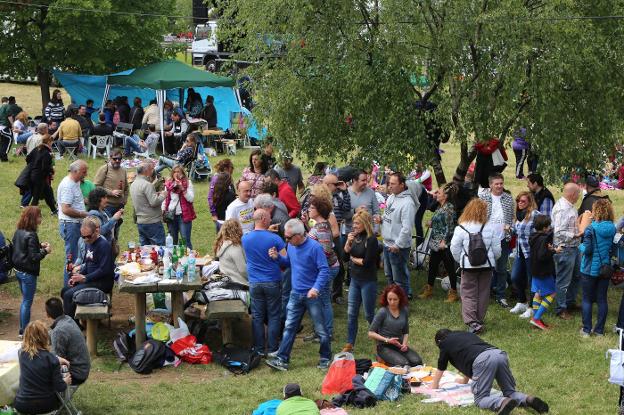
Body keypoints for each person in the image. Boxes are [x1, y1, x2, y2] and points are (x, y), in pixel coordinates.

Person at [432, 329, 549, 415]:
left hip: (483, 360)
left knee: (480, 399)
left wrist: (433, 386)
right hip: (498, 353)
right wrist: (463, 381)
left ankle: (502, 402)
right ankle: (528, 399)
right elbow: (466, 361)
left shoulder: (444, 344)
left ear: (439, 341)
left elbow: (441, 368)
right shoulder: (464, 334)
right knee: (510, 391)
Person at [266, 219, 331, 371]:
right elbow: (289, 262)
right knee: (289, 327)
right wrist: (277, 258)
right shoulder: (291, 245)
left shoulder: (315, 247)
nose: (286, 240)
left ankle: (325, 358)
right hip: (296, 294)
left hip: (313, 296)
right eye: (285, 237)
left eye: (288, 237)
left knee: (321, 329)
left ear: (299, 235)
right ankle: (282, 359)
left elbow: (324, 270)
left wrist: (316, 288)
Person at [450, 198, 501, 333]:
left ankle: (472, 322)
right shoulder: (490, 227)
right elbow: (497, 250)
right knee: (483, 292)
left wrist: (461, 260)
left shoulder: (461, 227)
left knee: (468, 293)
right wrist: (491, 259)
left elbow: (454, 248)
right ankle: (479, 319)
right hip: (486, 265)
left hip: (468, 266)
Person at [243, 210, 286, 355]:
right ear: (263, 218)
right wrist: (277, 258)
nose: (271, 220)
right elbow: (286, 261)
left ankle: (259, 349)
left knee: (257, 316)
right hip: (272, 281)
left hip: (254, 282)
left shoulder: (245, 238)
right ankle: (273, 348)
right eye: (268, 218)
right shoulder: (275, 240)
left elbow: (256, 234)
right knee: (274, 315)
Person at [61, 217, 115, 318]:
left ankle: (72, 326)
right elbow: (88, 264)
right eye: (83, 236)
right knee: (64, 291)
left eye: (88, 236)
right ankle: (77, 322)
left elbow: (104, 270)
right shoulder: (89, 243)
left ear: (97, 231)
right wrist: (78, 277)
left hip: (102, 283)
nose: (85, 240)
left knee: (69, 295)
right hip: (91, 280)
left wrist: (85, 278)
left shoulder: (103, 246)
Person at [13, 320, 70, 415]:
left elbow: (37, 359)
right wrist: (65, 381)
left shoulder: (21, 354)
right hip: (45, 405)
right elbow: (60, 387)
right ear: (45, 337)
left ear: (26, 336)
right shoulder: (51, 360)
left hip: (22, 404)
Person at [12, 207, 51, 337]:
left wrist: (39, 245)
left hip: (18, 270)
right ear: (33, 219)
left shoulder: (19, 231)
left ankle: (22, 329)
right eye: (39, 216)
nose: (41, 218)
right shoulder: (32, 234)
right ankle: (24, 332)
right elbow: (34, 257)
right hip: (28, 273)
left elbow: (23, 247)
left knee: (25, 301)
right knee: (27, 302)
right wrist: (45, 251)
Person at [579, 199, 616, 337]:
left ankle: (587, 329)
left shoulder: (591, 228)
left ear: (597, 212)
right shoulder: (612, 228)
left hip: (589, 269)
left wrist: (579, 245)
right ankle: (599, 330)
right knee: (602, 299)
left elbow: (587, 250)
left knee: (587, 299)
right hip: (604, 268)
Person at [342, 210, 378, 353]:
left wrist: (354, 259)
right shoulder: (354, 237)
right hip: (355, 280)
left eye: (357, 223)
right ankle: (350, 343)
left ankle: (379, 342)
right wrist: (347, 244)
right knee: (351, 313)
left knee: (369, 314)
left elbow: (368, 262)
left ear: (365, 223)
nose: (354, 226)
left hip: (368, 281)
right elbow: (344, 258)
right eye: (353, 223)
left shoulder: (371, 239)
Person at [307, 196, 341, 340]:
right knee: (320, 301)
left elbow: (326, 251)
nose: (309, 209)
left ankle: (327, 332)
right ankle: (320, 331)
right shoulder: (319, 225)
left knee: (324, 301)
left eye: (312, 207)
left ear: (319, 211)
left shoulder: (322, 228)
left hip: (326, 268)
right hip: (324, 268)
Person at [479, 173, 514, 308]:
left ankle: (501, 296)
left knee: (502, 268)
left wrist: (509, 228)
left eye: (501, 183)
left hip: (502, 239)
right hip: (485, 238)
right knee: (485, 267)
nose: (499, 186)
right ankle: (485, 294)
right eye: (496, 184)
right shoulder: (483, 197)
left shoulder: (508, 198)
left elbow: (511, 217)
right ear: (490, 185)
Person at [419, 183, 459, 302]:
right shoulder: (440, 206)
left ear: (445, 196)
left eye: (439, 193)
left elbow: (450, 227)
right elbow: (439, 219)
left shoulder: (449, 208)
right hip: (436, 242)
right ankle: (429, 289)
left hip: (444, 244)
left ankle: (453, 293)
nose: (436, 194)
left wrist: (444, 242)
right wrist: (432, 222)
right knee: (432, 266)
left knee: (450, 267)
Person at [368, 285, 422, 367]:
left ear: (400, 299)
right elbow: (370, 333)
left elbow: (406, 331)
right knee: (404, 364)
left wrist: (404, 344)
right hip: (384, 346)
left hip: (399, 345)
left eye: (395, 299)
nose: (392, 302)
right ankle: (381, 358)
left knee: (417, 362)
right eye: (389, 299)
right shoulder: (382, 312)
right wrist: (387, 340)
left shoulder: (404, 310)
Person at [381, 173, 416, 297]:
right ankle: (392, 299)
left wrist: (398, 245)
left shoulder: (407, 203)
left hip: (398, 247)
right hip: (387, 243)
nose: (390, 186)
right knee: (389, 275)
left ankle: (403, 303)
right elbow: (389, 215)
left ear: (402, 185)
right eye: (389, 183)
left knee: (399, 278)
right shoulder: (391, 198)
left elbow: (407, 228)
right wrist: (381, 219)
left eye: (393, 184)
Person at [551, 182, 582, 320]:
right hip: (565, 249)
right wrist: (574, 235)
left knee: (576, 277)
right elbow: (558, 232)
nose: (578, 197)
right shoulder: (563, 209)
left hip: (574, 248)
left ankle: (570, 302)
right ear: (572, 194)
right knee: (563, 280)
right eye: (578, 194)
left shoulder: (570, 207)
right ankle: (561, 309)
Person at [509, 192, 540, 318]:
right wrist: (509, 229)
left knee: (532, 280)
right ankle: (522, 301)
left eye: (523, 201)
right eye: (518, 201)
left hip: (531, 252)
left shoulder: (535, 215)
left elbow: (548, 227)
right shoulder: (518, 215)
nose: (520, 203)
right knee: (515, 277)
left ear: (529, 202)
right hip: (520, 251)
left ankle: (532, 307)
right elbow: (517, 230)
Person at [57, 160, 88, 286]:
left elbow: (76, 201)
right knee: (72, 258)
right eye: (83, 172)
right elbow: (65, 209)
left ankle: (74, 285)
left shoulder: (75, 182)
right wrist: (83, 214)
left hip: (75, 224)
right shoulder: (67, 186)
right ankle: (68, 289)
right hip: (70, 225)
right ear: (75, 171)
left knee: (77, 255)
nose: (85, 174)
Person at [45, 297, 90, 385]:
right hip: (83, 369)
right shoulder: (67, 319)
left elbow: (56, 361)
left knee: (37, 373)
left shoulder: (58, 331)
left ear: (47, 314)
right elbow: (51, 334)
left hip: (76, 374)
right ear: (62, 309)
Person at [528, 215, 561, 330]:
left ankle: (537, 321)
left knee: (538, 293)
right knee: (552, 293)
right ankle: (536, 318)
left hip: (534, 269)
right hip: (543, 271)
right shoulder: (544, 238)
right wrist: (554, 251)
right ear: (545, 227)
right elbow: (542, 256)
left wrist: (550, 249)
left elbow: (538, 252)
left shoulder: (533, 236)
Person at [130, 161, 167, 246]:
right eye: (151, 169)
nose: (152, 171)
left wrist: (155, 194)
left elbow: (143, 198)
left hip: (140, 222)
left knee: (145, 251)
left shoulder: (133, 184)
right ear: (146, 171)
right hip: (152, 221)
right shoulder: (147, 185)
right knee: (159, 249)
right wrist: (163, 195)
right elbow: (154, 202)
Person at [162, 165, 196, 249]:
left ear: (182, 173)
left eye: (178, 172)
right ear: (172, 173)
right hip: (171, 215)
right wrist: (163, 210)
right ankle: (173, 260)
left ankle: (189, 259)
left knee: (185, 241)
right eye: (175, 172)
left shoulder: (187, 183)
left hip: (183, 215)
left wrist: (182, 188)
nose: (176, 174)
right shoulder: (169, 184)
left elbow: (191, 199)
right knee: (172, 241)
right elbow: (165, 198)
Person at [93, 149, 128, 223]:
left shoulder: (123, 170)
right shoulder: (104, 169)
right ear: (110, 158)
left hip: (119, 206)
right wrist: (111, 192)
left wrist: (124, 200)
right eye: (115, 159)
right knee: (108, 228)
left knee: (117, 227)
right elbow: (96, 186)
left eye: (119, 159)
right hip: (107, 206)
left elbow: (126, 188)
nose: (117, 161)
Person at [26, 135, 57, 214]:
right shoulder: (47, 153)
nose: (52, 143)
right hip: (39, 177)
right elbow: (45, 167)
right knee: (36, 197)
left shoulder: (37, 149)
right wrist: (52, 171)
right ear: (48, 142)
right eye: (51, 142)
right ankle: (30, 214)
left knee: (48, 192)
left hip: (33, 175)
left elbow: (27, 158)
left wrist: (33, 165)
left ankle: (54, 210)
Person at [208, 159, 236, 231]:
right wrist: (213, 214)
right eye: (231, 168)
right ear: (226, 168)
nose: (232, 171)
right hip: (221, 213)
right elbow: (210, 197)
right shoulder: (216, 178)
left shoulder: (227, 177)